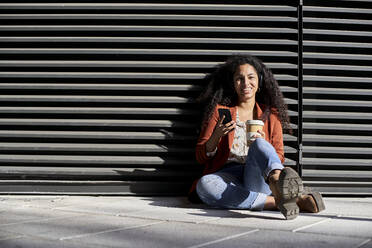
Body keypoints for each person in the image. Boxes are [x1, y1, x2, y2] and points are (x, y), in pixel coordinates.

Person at [189, 54, 325, 220]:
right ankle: (286, 201)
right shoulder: (219, 112)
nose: (246, 83)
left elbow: (279, 156)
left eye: (251, 77)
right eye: (239, 78)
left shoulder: (271, 117)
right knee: (205, 185)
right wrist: (216, 136)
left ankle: (276, 182)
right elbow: (200, 157)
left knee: (260, 144)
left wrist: (263, 143)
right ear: (233, 83)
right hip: (227, 176)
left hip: (259, 177)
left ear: (259, 81)